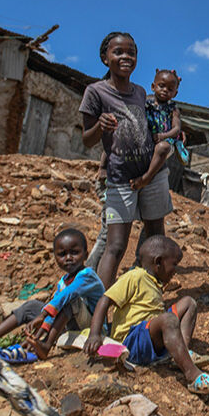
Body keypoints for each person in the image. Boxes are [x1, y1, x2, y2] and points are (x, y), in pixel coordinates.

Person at [80, 32, 173, 287]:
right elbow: (87, 139)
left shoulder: (141, 93)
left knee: (155, 238)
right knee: (116, 245)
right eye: (118, 52)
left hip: (151, 175)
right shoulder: (95, 92)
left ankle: (146, 295)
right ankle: (100, 305)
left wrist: (174, 133)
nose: (126, 57)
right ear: (105, 57)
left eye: (131, 52)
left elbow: (151, 125)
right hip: (121, 178)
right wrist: (99, 126)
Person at [86, 235, 209, 394]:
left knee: (188, 303)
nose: (176, 271)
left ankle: (181, 353)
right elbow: (104, 300)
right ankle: (192, 376)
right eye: (174, 265)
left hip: (148, 334)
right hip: (132, 340)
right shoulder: (134, 276)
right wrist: (94, 334)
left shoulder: (154, 282)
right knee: (168, 319)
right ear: (158, 262)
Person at [0, 228, 104, 363]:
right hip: (68, 325)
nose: (68, 258)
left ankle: (46, 345)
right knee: (31, 306)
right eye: (62, 254)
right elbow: (55, 307)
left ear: (86, 255)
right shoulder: (63, 281)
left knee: (69, 301)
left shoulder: (87, 276)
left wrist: (42, 315)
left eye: (74, 253)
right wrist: (37, 336)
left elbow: (66, 296)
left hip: (91, 327)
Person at [146, 68, 190, 188]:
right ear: (153, 87)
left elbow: (176, 129)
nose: (165, 90)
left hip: (165, 140)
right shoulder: (146, 102)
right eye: (161, 86)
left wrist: (162, 136)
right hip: (148, 137)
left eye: (170, 89)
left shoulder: (173, 109)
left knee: (162, 148)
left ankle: (148, 176)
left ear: (175, 94)